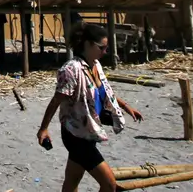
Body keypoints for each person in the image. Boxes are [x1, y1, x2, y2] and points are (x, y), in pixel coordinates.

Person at [36, 23, 143, 192]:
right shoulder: (71, 70)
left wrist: (126, 107)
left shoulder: (95, 65)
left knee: (72, 180)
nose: (105, 52)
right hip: (76, 134)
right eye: (102, 47)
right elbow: (56, 100)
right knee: (109, 185)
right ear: (88, 44)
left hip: (89, 130)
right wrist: (43, 129)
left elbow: (105, 92)